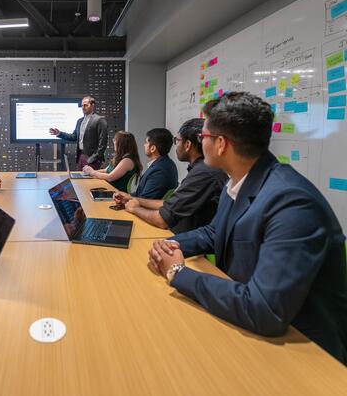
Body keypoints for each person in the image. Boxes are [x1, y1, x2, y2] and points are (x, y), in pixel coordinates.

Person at [148, 92, 347, 365]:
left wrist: (178, 272)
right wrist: (171, 245)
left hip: (306, 356)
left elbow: (264, 309)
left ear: (220, 144)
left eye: (203, 136)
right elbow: (214, 232)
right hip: (251, 333)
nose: (198, 143)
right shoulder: (243, 182)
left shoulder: (292, 203)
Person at [113, 119, 227, 233]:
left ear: (187, 145)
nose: (175, 145)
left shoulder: (203, 173)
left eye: (177, 140)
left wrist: (134, 208)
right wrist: (132, 199)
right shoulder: (200, 169)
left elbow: (162, 220)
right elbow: (169, 204)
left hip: (182, 239)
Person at [49, 96, 108, 170]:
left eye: (86, 105)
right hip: (81, 156)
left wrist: (93, 158)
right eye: (82, 105)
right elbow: (74, 137)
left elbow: (103, 143)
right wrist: (59, 133)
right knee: (79, 180)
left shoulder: (99, 120)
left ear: (92, 106)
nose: (83, 107)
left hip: (93, 159)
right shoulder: (80, 121)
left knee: (91, 181)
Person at [134, 128, 178, 199]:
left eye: (146, 143)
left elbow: (146, 200)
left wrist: (128, 198)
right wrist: (126, 196)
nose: (144, 145)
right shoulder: (166, 163)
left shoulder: (159, 171)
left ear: (153, 148)